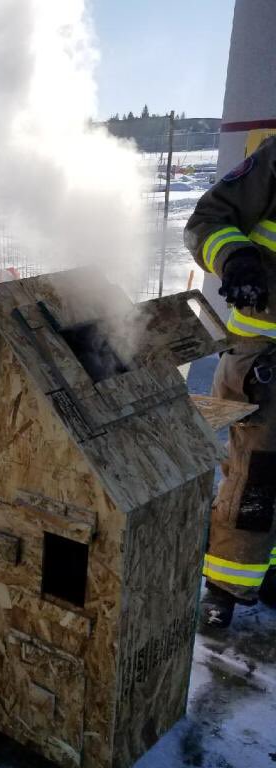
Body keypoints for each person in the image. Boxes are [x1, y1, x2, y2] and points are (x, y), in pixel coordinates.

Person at [185, 136, 276, 628]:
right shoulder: (274, 160)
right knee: (255, 480)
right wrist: (236, 258)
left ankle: (269, 572)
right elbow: (205, 222)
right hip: (266, 363)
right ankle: (223, 588)